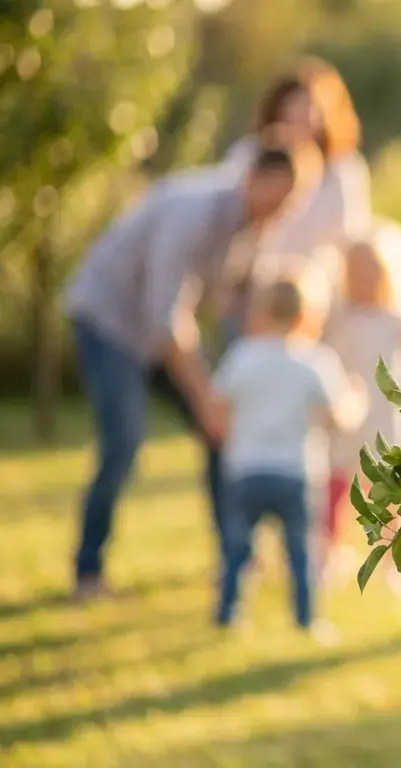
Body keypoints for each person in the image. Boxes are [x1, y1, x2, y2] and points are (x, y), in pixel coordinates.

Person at [64, 145, 300, 600]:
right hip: (108, 322)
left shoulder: (252, 231)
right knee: (124, 443)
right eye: (281, 196)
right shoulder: (193, 210)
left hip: (155, 334)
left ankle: (235, 557)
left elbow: (246, 313)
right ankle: (87, 573)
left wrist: (238, 392)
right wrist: (206, 399)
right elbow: (166, 318)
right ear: (254, 177)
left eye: (293, 200)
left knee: (221, 432)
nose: (284, 210)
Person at [210, 277, 364, 632]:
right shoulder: (314, 360)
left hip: (245, 468)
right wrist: (357, 396)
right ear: (307, 316)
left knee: (237, 547)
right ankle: (307, 619)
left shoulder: (242, 356)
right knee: (301, 551)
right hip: (296, 470)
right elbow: (341, 417)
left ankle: (229, 613)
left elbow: (217, 407)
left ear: (260, 313)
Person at [320, 235, 401, 577]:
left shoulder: (395, 320)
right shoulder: (340, 322)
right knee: (338, 487)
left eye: (371, 273)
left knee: (391, 493)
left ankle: (392, 560)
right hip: (348, 418)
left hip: (387, 420)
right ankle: (328, 553)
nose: (364, 281)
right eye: (355, 273)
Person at [221, 59, 371, 260]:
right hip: (252, 268)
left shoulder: (343, 171)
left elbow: (349, 237)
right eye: (293, 107)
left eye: (310, 108)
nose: (302, 116)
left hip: (315, 279)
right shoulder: (247, 154)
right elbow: (228, 211)